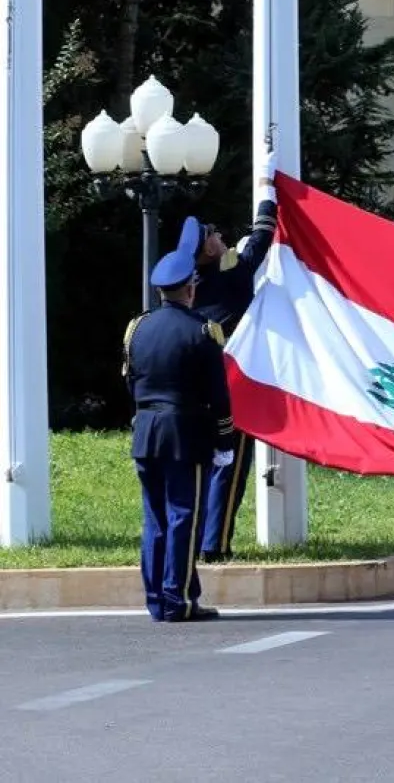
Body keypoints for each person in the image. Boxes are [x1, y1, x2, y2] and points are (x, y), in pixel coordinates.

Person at [122, 217, 237, 622]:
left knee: (155, 518)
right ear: (191, 287)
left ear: (160, 290)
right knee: (183, 515)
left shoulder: (137, 328)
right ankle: (180, 599)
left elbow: (131, 383)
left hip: (146, 431)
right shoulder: (203, 331)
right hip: (185, 434)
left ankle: (156, 598)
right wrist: (225, 442)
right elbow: (218, 395)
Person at [195, 155, 278, 563]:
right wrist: (267, 185)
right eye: (212, 234)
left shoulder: (195, 283)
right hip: (228, 390)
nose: (219, 234)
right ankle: (216, 544)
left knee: (200, 467)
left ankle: (197, 541)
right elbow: (263, 234)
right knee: (229, 468)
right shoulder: (233, 276)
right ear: (206, 251)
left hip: (194, 390)